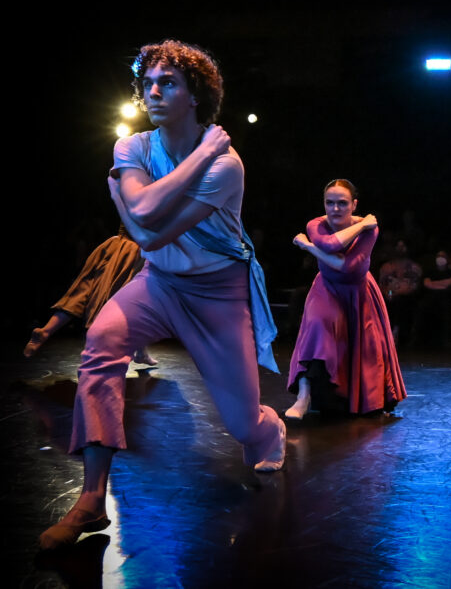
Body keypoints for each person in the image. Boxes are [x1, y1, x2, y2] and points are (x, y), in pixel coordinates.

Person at [39, 40, 286, 550]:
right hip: (159, 283)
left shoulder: (228, 165)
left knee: (241, 422)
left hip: (218, 294)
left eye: (167, 82)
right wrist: (197, 158)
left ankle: (269, 431)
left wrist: (126, 199)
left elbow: (147, 225)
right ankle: (91, 499)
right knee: (101, 344)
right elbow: (148, 219)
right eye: (148, 82)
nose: (153, 91)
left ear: (195, 95)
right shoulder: (133, 146)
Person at [286, 180, 407, 418]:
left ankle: (361, 399)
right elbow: (329, 244)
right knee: (317, 327)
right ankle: (303, 396)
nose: (335, 209)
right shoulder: (317, 224)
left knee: (366, 346)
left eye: (342, 203)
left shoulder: (371, 229)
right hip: (327, 287)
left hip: (358, 291)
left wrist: (307, 247)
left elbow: (347, 265)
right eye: (329, 203)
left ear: (354, 204)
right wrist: (358, 227)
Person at [24, 228, 157, 373]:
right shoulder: (150, 206)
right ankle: (101, 352)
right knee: (129, 301)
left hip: (112, 245)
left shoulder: (128, 205)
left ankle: (46, 330)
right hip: (131, 252)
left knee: (81, 293)